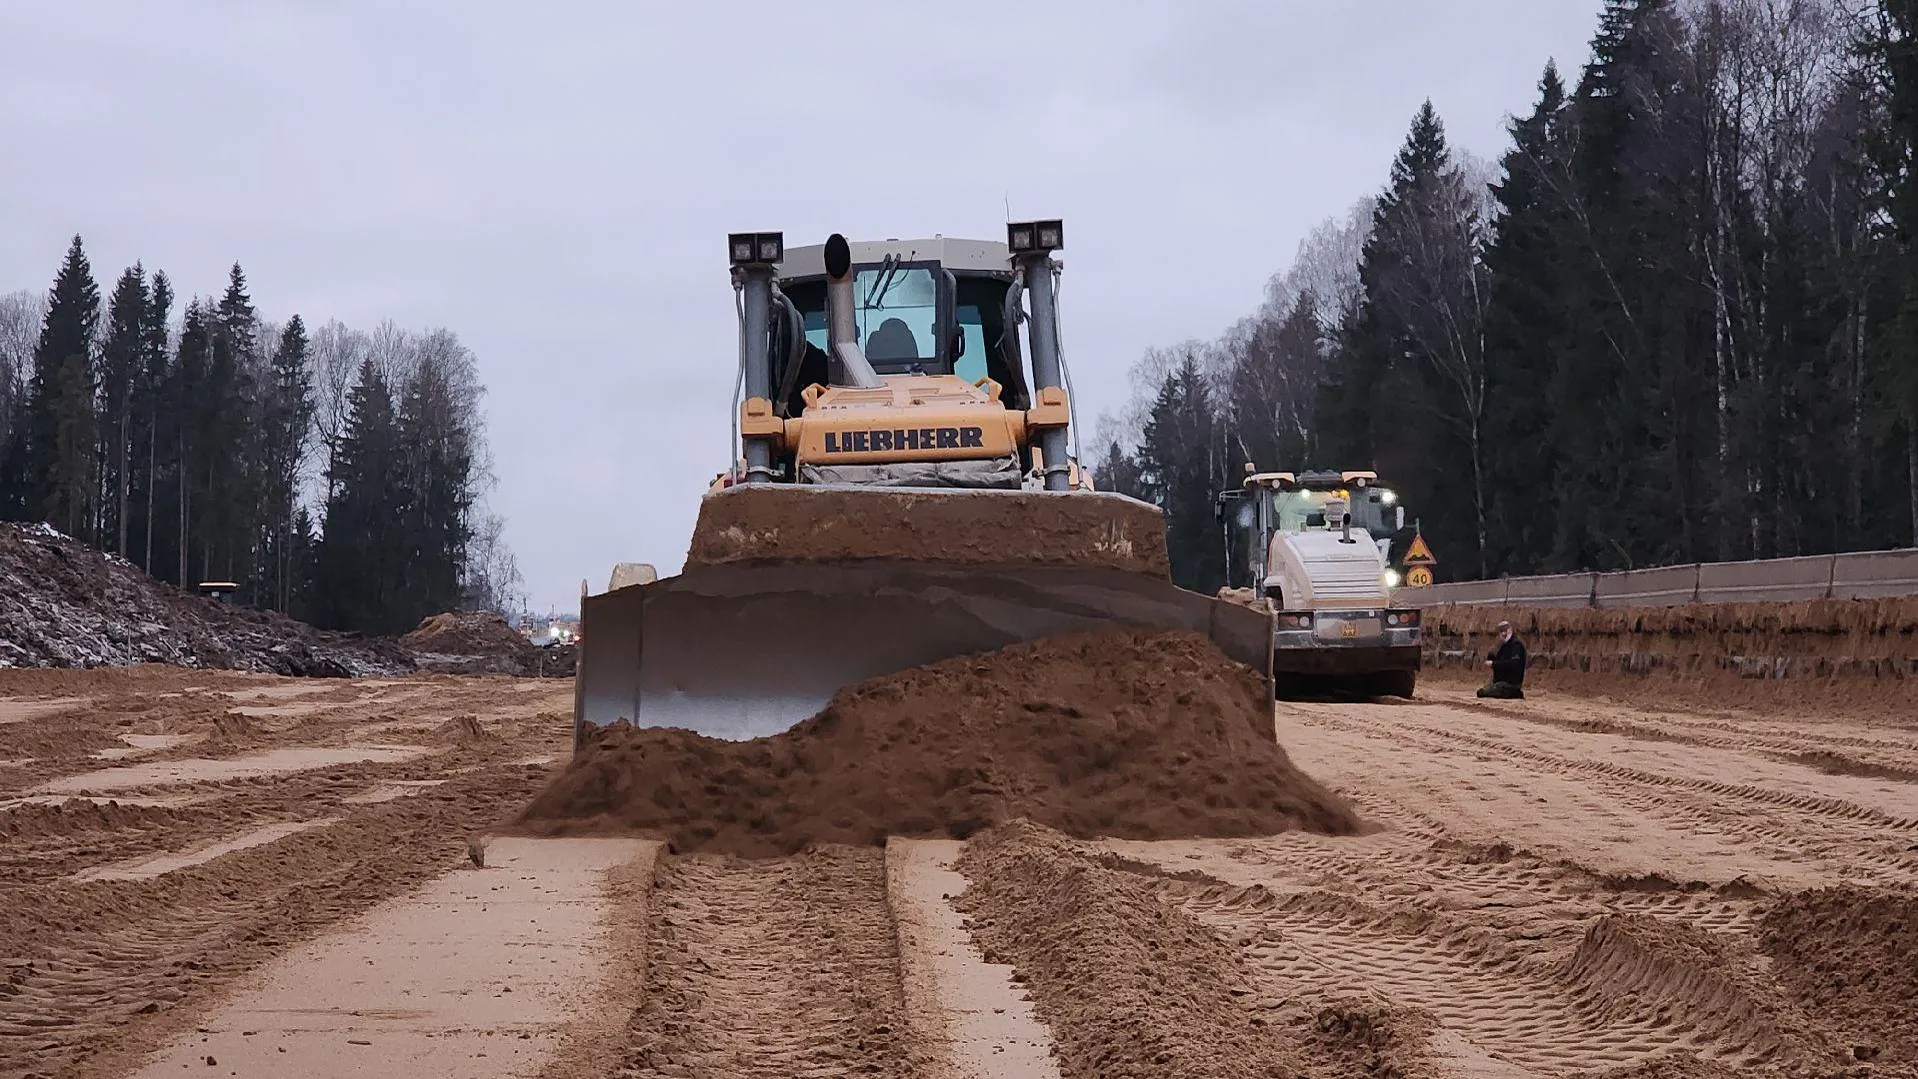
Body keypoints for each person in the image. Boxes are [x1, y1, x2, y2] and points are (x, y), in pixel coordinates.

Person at [1477, 620, 1527, 699]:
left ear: (1510, 630)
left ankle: (1515, 693)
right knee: (1485, 690)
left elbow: (1514, 664)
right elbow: (1499, 661)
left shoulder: (1516, 645)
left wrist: (1493, 663)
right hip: (1502, 683)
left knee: (1482, 692)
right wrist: (1491, 657)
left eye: (1505, 630)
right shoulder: (1504, 646)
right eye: (1501, 631)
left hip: (1510, 684)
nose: (1503, 634)